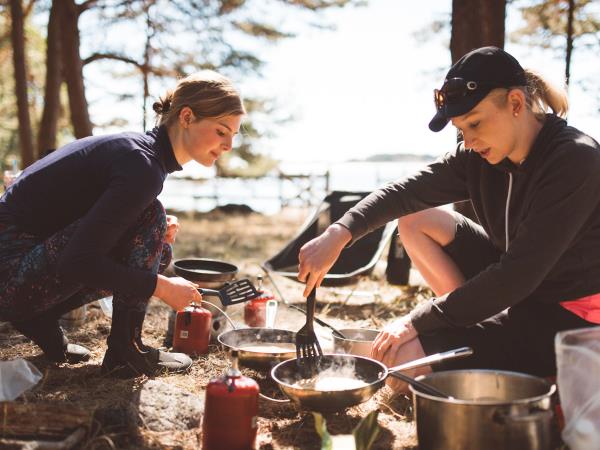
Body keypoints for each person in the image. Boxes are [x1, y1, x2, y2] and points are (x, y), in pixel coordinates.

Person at [297, 46, 600, 392]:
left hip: (568, 317)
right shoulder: (478, 156)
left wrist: (417, 320)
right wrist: (340, 232)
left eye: (474, 123)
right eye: (460, 128)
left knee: (402, 368)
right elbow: (405, 193)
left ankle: (521, 359)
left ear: (516, 104)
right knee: (415, 218)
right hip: (514, 290)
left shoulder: (574, 160)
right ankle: (475, 327)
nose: (468, 140)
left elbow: (517, 276)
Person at [0, 70, 244, 377]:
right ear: (186, 117)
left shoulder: (138, 153)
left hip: (16, 270)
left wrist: (142, 229)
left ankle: (42, 318)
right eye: (222, 132)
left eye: (234, 135)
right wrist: (161, 286)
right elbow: (77, 262)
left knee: (156, 242)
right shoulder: (143, 166)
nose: (228, 146)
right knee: (151, 217)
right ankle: (126, 350)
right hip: (8, 279)